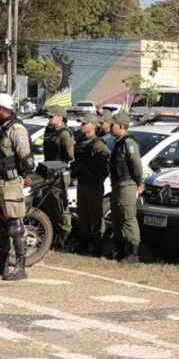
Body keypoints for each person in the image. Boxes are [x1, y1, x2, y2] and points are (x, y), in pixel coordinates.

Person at [0, 93, 32, 281]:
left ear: (0, 108)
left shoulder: (16, 129)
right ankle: (1, 262)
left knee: (15, 226)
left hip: (10, 184)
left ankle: (20, 267)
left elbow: (26, 159)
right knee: (0, 225)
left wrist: (23, 176)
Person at [72, 113, 111, 257]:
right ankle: (83, 243)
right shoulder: (80, 142)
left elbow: (106, 164)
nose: (82, 126)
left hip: (93, 184)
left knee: (95, 215)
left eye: (85, 123)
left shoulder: (98, 144)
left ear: (93, 126)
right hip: (82, 183)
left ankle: (98, 244)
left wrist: (97, 177)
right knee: (83, 214)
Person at [107, 114, 144, 263]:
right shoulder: (118, 143)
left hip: (126, 185)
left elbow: (136, 165)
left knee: (128, 218)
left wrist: (139, 182)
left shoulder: (129, 143)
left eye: (113, 125)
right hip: (116, 185)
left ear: (121, 126)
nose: (110, 127)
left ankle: (134, 254)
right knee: (117, 218)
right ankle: (120, 251)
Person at [41, 107, 75, 246]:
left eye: (52, 116)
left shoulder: (65, 133)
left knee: (60, 204)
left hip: (60, 173)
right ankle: (51, 233)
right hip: (48, 171)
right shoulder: (49, 131)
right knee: (48, 203)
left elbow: (70, 155)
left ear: (60, 117)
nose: (50, 119)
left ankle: (65, 233)